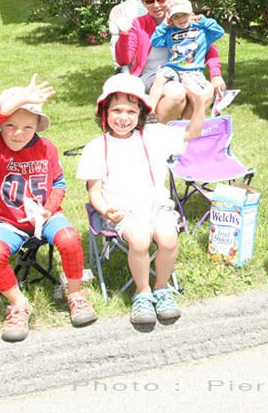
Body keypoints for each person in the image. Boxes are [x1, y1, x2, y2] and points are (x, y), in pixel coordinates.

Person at [76, 74, 206, 326]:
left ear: (141, 114)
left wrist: (199, 102)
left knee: (168, 238)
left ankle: (162, 288)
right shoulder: (96, 146)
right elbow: (93, 190)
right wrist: (105, 210)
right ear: (104, 112)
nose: (123, 117)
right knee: (140, 239)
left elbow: (193, 131)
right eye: (115, 110)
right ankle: (143, 292)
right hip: (122, 211)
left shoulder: (154, 135)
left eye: (130, 111)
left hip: (157, 207)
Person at [0, 74, 97, 342]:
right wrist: (20, 99)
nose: (18, 133)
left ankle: (76, 294)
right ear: (0, 126)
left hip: (45, 215)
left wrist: (49, 208)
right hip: (7, 221)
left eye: (27, 127)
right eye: (10, 125)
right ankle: (19, 305)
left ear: (37, 127)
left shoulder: (46, 148)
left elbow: (59, 183)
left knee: (69, 238)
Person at [110, 0, 225, 123]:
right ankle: (153, 132)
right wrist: (124, 33)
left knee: (207, 89)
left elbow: (208, 47)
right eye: (150, 1)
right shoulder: (138, 24)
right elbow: (123, 60)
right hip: (151, 77)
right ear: (143, 2)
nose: (156, 5)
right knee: (177, 92)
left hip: (184, 71)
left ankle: (184, 136)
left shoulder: (184, 20)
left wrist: (215, 74)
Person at [148, 0, 225, 114]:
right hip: (173, 67)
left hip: (193, 70)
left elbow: (219, 32)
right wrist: (164, 25)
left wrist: (204, 20)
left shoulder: (202, 31)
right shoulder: (170, 31)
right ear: (171, 18)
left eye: (185, 15)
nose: (181, 19)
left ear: (192, 14)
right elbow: (155, 42)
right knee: (159, 78)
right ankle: (150, 110)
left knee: (196, 94)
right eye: (176, 16)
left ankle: (191, 121)